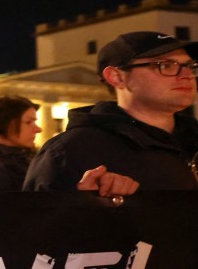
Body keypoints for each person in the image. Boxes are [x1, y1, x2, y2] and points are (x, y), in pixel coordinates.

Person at [24, 32, 198, 194]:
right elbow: (33, 222)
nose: (187, 75)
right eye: (166, 65)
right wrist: (88, 204)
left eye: (190, 66)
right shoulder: (71, 152)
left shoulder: (191, 140)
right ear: (117, 77)